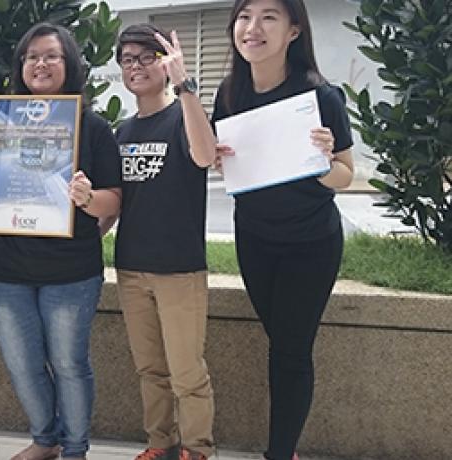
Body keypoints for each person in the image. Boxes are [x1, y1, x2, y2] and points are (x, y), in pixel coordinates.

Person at [0, 22, 122, 460]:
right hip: (11, 271)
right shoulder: (2, 124)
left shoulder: (91, 127)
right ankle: (46, 440)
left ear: (68, 63)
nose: (40, 64)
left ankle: (74, 449)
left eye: (51, 55)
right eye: (31, 56)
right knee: (22, 365)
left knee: (70, 366)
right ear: (21, 66)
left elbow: (115, 200)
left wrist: (88, 198)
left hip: (72, 273)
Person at [210, 1, 354, 459]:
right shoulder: (229, 93)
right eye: (245, 16)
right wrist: (218, 158)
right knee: (281, 342)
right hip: (253, 238)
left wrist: (322, 163)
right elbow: (226, 157)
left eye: (269, 17)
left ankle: (280, 453)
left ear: (294, 31)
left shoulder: (321, 96)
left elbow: (346, 176)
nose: (253, 28)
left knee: (290, 351)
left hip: (310, 243)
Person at [110, 23, 217, 460]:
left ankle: (198, 449)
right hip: (131, 267)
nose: (137, 66)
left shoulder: (184, 114)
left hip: (179, 269)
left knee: (188, 373)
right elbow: (115, 202)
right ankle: (161, 443)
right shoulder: (121, 131)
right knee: (150, 369)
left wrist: (184, 83)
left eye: (146, 56)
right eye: (128, 59)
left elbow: (206, 155)